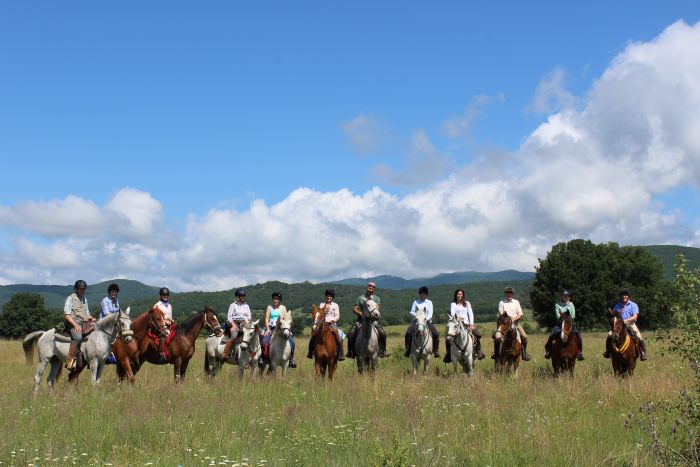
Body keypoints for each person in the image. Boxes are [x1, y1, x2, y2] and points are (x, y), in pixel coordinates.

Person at [346, 282, 390, 358]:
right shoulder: (360, 298)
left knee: (382, 333)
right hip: (361, 321)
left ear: (374, 290)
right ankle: (351, 352)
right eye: (370, 287)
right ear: (367, 288)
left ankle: (383, 351)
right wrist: (361, 313)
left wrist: (373, 314)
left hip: (373, 321)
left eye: (373, 288)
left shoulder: (377, 298)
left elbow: (377, 308)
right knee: (351, 333)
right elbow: (354, 309)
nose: (371, 289)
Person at [604, 288, 648, 361]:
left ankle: (642, 353)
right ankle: (608, 351)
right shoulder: (617, 306)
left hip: (630, 324)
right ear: (621, 297)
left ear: (628, 296)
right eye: (623, 295)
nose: (624, 297)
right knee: (609, 335)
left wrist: (626, 320)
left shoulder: (633, 305)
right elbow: (613, 315)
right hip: (619, 325)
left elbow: (635, 316)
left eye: (626, 295)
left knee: (639, 336)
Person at [444, 288, 485, 362]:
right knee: (447, 338)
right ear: (456, 295)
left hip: (466, 324)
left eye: (461, 294)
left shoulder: (467, 303)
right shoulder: (453, 304)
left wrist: (471, 324)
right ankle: (448, 354)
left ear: (463, 295)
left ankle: (478, 351)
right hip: (456, 324)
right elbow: (452, 313)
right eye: (458, 294)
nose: (459, 295)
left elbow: (470, 314)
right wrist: (456, 317)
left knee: (477, 335)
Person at [544, 290, 584, 361]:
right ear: (561, 297)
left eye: (567, 296)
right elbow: (557, 315)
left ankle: (580, 352)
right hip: (559, 324)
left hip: (569, 323)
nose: (565, 297)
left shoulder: (571, 304)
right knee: (551, 335)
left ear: (569, 297)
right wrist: (563, 318)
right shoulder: (557, 305)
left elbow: (573, 314)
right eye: (564, 296)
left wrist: (569, 320)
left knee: (578, 335)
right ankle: (549, 351)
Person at [63, 280, 95, 370]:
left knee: (96, 332)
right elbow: (67, 315)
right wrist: (76, 325)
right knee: (78, 337)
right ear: (76, 289)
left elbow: (87, 313)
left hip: (84, 322)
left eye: (83, 289)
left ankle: (90, 358)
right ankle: (69, 362)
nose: (82, 291)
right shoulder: (70, 298)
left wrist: (92, 318)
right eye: (80, 289)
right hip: (72, 322)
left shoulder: (84, 299)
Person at [493, 286, 530, 361]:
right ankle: (496, 354)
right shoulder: (501, 302)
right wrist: (508, 319)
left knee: (524, 336)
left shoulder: (516, 302)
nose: (509, 294)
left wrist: (515, 319)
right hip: (505, 324)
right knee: (497, 338)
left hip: (515, 323)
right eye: (508, 293)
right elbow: (501, 314)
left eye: (510, 293)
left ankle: (524, 353)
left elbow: (520, 314)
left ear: (512, 294)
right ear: (505, 294)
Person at [307, 288, 345, 361]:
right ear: (325, 296)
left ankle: (340, 354)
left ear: (332, 297)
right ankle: (310, 352)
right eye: (327, 296)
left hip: (332, 324)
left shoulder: (335, 305)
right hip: (321, 324)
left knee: (339, 337)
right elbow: (319, 313)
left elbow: (337, 316)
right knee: (313, 336)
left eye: (330, 296)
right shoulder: (322, 304)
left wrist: (332, 320)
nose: (329, 297)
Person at [404, 286, 440, 358]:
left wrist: (425, 318)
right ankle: (408, 349)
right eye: (422, 294)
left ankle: (435, 350)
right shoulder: (416, 302)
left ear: (427, 295)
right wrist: (417, 315)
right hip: (417, 321)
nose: (423, 295)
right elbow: (412, 311)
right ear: (420, 294)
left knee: (435, 334)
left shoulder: (429, 302)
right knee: (408, 332)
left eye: (425, 294)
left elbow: (430, 313)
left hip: (427, 321)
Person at [262, 292, 296, 368]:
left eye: (277, 299)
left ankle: (291, 359)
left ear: (280, 300)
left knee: (292, 342)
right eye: (274, 299)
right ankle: (262, 358)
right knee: (264, 341)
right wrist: (267, 329)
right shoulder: (269, 307)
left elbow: (286, 318)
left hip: (281, 327)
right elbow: (266, 319)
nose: (275, 301)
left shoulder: (283, 308)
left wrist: (287, 327)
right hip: (271, 326)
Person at [221, 288, 252, 361]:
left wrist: (247, 321)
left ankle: (251, 355)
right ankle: (225, 353)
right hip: (234, 322)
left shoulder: (246, 306)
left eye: (243, 296)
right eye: (241, 296)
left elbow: (249, 316)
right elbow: (229, 316)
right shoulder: (232, 305)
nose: (242, 298)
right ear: (237, 297)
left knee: (250, 335)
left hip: (243, 322)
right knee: (234, 336)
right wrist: (233, 325)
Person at [100, 283, 121, 364]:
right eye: (112, 291)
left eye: (115, 292)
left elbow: (118, 310)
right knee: (107, 337)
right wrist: (116, 315)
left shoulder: (116, 300)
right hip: (104, 322)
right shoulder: (105, 300)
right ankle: (107, 355)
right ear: (109, 292)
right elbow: (106, 313)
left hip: (114, 322)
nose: (114, 293)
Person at [154, 287, 173, 361]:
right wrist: (165, 321)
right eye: (163, 294)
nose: (165, 296)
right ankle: (161, 353)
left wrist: (171, 320)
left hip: (169, 324)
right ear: (160, 295)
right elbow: (155, 318)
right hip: (160, 325)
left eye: (167, 295)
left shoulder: (169, 305)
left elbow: (170, 316)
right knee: (164, 334)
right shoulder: (157, 305)